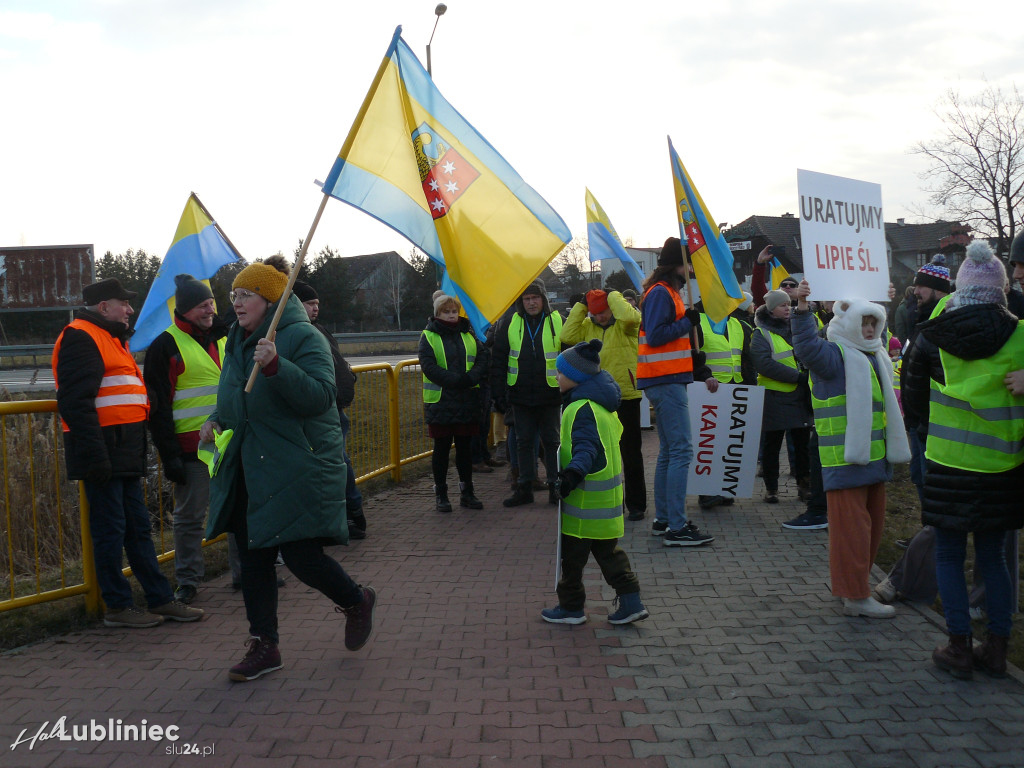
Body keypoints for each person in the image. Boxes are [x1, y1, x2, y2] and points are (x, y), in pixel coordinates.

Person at [203, 256, 375, 682]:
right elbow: (235, 397)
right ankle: (265, 644)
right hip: (247, 463)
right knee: (253, 556)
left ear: (269, 299)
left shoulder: (302, 336)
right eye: (234, 295)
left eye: (246, 295)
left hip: (292, 463)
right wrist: (216, 420)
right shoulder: (236, 338)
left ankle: (355, 600)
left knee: (300, 556)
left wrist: (278, 366)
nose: (237, 303)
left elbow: (321, 397)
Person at [901, 240, 1024, 679]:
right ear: (1001, 291)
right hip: (1003, 466)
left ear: (961, 290)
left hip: (948, 462)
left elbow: (912, 402)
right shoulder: (1022, 335)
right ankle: (995, 649)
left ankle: (957, 646)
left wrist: (926, 431)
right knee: (994, 558)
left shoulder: (931, 338)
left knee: (950, 555)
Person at [53, 278, 204, 628]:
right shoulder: (82, 336)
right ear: (104, 306)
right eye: (124, 303)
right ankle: (118, 607)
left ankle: (160, 600)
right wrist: (96, 458)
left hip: (122, 452)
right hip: (104, 454)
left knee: (137, 529)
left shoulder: (110, 337)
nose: (131, 309)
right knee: (110, 531)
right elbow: (75, 404)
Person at [791, 280, 911, 619]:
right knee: (853, 532)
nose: (871, 329)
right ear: (848, 324)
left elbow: (881, 341)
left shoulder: (872, 354)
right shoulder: (833, 355)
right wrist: (802, 308)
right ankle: (855, 596)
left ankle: (852, 585)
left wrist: (877, 297)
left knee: (870, 529)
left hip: (874, 458)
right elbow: (805, 346)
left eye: (875, 323)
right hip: (845, 460)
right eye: (865, 322)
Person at [542, 340, 649, 626]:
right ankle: (631, 601)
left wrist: (570, 476)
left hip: (583, 504)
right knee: (609, 555)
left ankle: (571, 608)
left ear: (575, 378)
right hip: (607, 503)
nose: (557, 377)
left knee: (572, 563)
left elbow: (586, 450)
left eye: (560, 373)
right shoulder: (601, 405)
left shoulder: (580, 409)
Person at [143, 275, 230, 604]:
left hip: (230, 443)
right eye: (202, 305)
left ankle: (245, 572)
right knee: (189, 519)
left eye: (211, 303)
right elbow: (159, 408)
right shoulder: (165, 346)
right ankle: (188, 582)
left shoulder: (225, 335)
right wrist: (170, 457)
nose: (210, 309)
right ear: (184, 310)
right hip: (192, 450)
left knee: (238, 509)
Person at [636, 237, 712, 547]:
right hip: (664, 381)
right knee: (680, 450)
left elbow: (663, 337)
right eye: (688, 261)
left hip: (666, 379)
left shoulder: (666, 292)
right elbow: (655, 336)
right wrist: (685, 324)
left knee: (670, 452)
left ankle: (665, 520)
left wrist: (692, 360)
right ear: (676, 264)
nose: (692, 267)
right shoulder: (661, 293)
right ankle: (676, 527)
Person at [560, 288, 647, 521]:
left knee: (631, 453)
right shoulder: (586, 329)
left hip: (627, 396)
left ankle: (636, 505)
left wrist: (612, 295)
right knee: (606, 455)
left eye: (604, 311)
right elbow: (566, 336)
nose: (600, 316)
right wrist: (582, 304)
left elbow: (631, 317)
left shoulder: (625, 327)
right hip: (597, 401)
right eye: (595, 313)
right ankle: (613, 502)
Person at [293, 280, 367, 540]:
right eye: (310, 303)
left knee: (337, 462)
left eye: (317, 304)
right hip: (326, 407)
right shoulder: (306, 332)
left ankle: (350, 513)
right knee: (335, 461)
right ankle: (346, 514)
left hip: (329, 409)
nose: (315, 309)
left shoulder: (317, 331)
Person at [490, 279, 563, 507]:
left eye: (535, 298)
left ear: (544, 298)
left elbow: (569, 354)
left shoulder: (557, 320)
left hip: (550, 393)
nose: (531, 303)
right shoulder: (510, 322)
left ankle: (554, 486)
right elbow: (499, 358)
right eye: (527, 299)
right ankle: (525, 487)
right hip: (520, 394)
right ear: (521, 302)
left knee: (552, 442)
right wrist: (499, 393)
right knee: (524, 442)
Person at [418, 292, 489, 512]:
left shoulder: (468, 334)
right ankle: (441, 494)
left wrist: (471, 377)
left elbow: (482, 357)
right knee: (441, 449)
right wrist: (456, 380)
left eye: (454, 311)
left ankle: (467, 492)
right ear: (437, 313)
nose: (451, 315)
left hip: (467, 400)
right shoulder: (428, 336)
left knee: (465, 449)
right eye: (446, 312)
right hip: (440, 402)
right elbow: (429, 366)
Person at [694, 292, 757, 509]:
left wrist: (751, 389)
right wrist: (703, 376)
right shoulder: (698, 322)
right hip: (707, 390)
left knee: (729, 442)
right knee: (708, 444)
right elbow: (693, 356)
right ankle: (706, 492)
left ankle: (724, 488)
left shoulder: (738, 325)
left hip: (735, 388)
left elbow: (746, 360)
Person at [751, 289, 813, 504]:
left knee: (802, 445)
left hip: (798, 396)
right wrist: (799, 377)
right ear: (770, 310)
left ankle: (804, 486)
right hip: (774, 397)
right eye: (782, 305)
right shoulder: (761, 334)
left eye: (789, 304)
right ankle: (771, 488)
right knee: (771, 445)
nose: (788, 308)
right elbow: (764, 364)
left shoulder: (797, 328)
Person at [900, 258, 951, 509]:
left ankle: (932, 540)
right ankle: (928, 537)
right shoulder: (922, 319)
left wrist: (922, 418)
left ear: (938, 289)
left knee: (930, 481)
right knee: (920, 478)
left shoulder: (942, 321)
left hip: (930, 422)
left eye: (921, 286)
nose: (915, 291)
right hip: (917, 421)